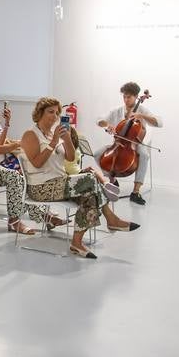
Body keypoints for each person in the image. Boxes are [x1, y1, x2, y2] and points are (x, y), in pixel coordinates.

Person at [20, 98, 137, 259]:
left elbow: (69, 158)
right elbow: (37, 163)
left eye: (57, 113)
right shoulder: (30, 135)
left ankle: (76, 242)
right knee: (90, 178)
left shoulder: (55, 133)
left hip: (61, 183)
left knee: (89, 196)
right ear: (39, 113)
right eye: (50, 112)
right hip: (41, 188)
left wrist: (66, 139)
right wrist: (54, 142)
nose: (54, 116)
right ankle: (111, 218)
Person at [0, 95, 43, 235]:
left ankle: (42, 215)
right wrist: (16, 144)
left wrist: (7, 123)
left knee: (30, 173)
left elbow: (1, 142)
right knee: (16, 177)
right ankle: (14, 221)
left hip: (4, 162)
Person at [97, 82, 164, 205]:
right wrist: (107, 125)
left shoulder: (142, 109)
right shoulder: (117, 110)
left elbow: (159, 122)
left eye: (129, 97)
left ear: (136, 96)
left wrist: (141, 115)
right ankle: (112, 180)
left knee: (144, 155)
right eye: (124, 97)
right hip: (117, 143)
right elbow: (99, 120)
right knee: (97, 154)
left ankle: (135, 191)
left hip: (135, 144)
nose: (126, 100)